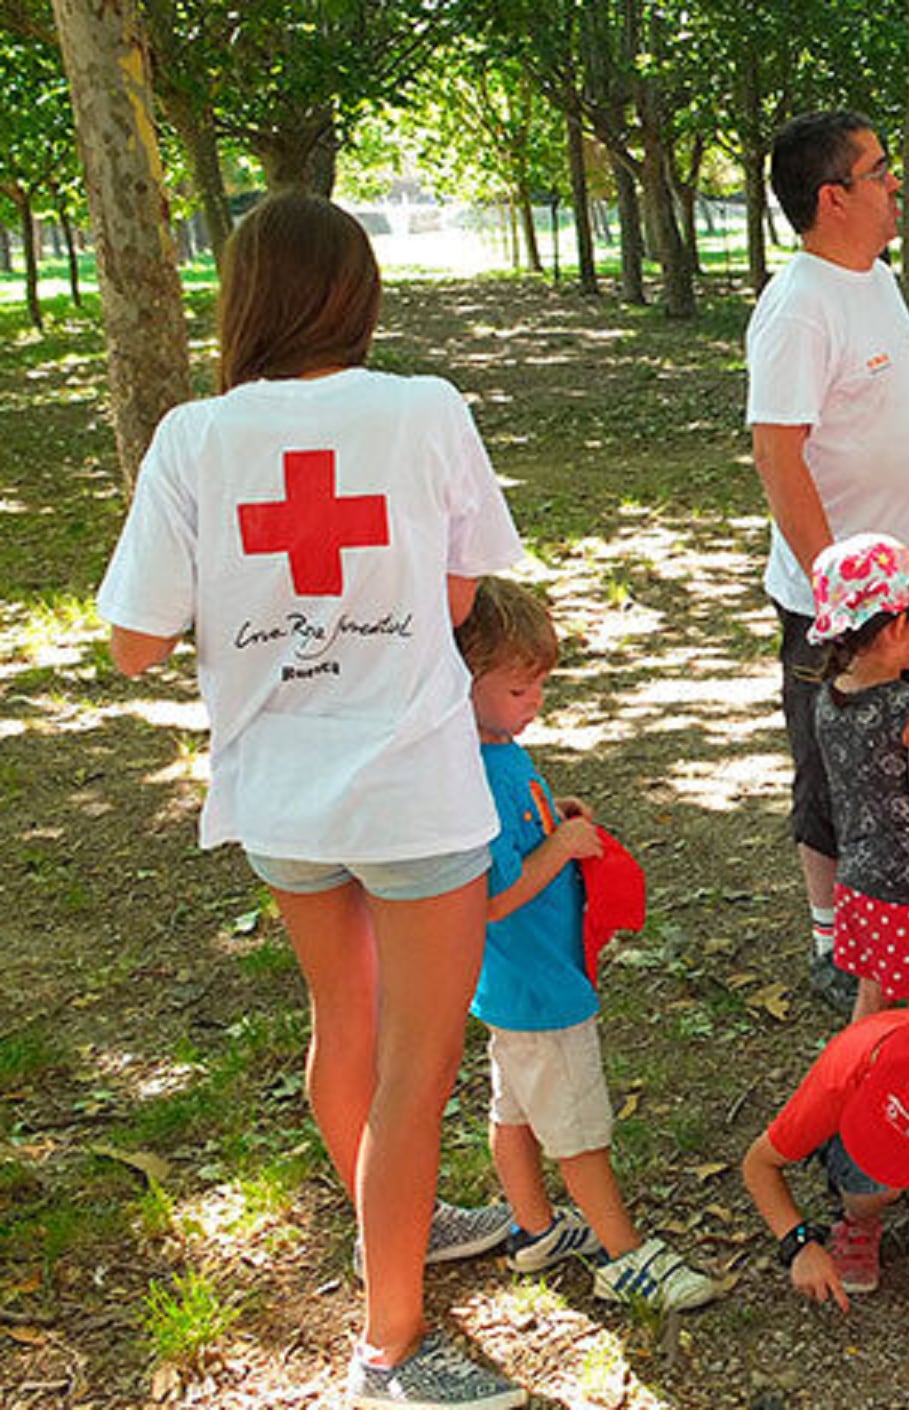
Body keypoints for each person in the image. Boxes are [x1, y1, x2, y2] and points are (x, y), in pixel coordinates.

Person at [96, 192, 528, 1408]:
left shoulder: (192, 437)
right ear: (360, 293)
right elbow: (451, 609)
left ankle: (396, 1222)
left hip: (280, 799)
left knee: (346, 1027)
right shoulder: (423, 410)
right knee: (416, 1067)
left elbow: (133, 643)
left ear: (244, 300)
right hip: (412, 793)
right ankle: (391, 1346)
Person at [749, 110, 909, 1013]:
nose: (897, 183)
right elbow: (777, 453)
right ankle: (833, 938)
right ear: (831, 197)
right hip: (842, 609)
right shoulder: (798, 305)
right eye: (881, 170)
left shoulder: (874, 278)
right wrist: (839, 595)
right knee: (836, 769)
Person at [455, 578, 719, 1312]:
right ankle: (622, 1253)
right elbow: (488, 896)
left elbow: (509, 845)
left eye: (540, 684)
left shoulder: (496, 751)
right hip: (542, 987)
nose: (533, 701)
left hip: (515, 982)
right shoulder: (477, 771)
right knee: (578, 1128)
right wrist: (562, 848)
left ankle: (535, 1229)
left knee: (515, 1111)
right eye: (518, 688)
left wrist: (552, 822)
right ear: (461, 682)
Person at [807, 534, 909, 1022]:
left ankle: (855, 1085)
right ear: (898, 626)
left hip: (855, 886)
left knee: (871, 997)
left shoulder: (828, 698)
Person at [741, 1008, 909, 1304]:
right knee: (875, 1189)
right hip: (856, 1109)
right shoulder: (841, 1076)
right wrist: (798, 1244)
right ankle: (860, 1217)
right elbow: (759, 1163)